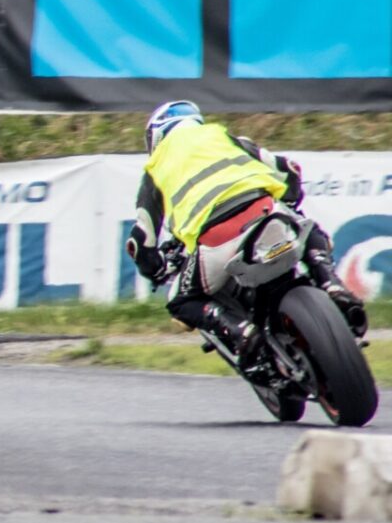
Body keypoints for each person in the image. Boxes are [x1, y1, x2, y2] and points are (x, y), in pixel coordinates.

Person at [125, 100, 368, 363]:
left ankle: (238, 329)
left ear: (157, 137)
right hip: (263, 211)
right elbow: (288, 169)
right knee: (308, 229)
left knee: (180, 302)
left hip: (216, 238)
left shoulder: (156, 168)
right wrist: (289, 199)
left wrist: (155, 268)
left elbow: (140, 242)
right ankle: (330, 283)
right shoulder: (222, 137)